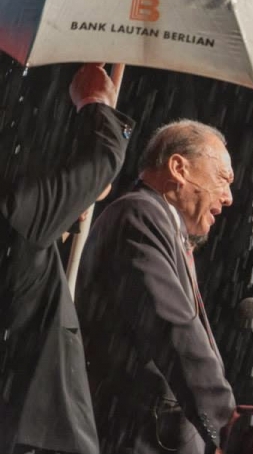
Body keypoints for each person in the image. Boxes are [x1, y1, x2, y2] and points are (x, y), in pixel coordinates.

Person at [75, 120, 238, 454]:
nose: (229, 197)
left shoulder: (158, 222)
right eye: (223, 179)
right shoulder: (139, 213)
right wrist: (229, 429)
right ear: (178, 168)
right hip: (135, 438)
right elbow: (173, 329)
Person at [0, 64, 134, 454]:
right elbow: (104, 155)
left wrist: (75, 195)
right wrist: (94, 101)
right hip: (35, 434)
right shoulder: (15, 217)